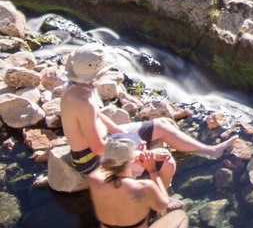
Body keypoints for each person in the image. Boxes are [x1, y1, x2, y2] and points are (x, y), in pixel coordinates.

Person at [57, 43, 241, 189]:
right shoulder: (83, 101)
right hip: (91, 159)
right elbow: (98, 148)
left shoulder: (76, 86)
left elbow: (97, 115)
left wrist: (119, 131)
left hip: (108, 140)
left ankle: (210, 151)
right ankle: (163, 192)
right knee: (167, 162)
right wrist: (141, 153)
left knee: (161, 125)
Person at [88, 133, 187, 228]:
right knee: (181, 216)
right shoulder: (144, 187)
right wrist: (152, 170)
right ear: (129, 159)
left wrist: (132, 155)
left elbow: (108, 165)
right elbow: (163, 205)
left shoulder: (94, 180)